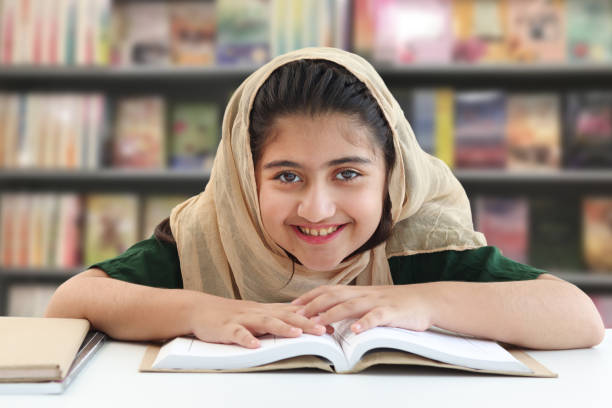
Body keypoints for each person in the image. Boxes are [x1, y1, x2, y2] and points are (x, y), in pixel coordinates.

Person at [46, 47, 604, 350]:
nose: (317, 209)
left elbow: (577, 317)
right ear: (246, 179)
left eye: (347, 174)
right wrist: (203, 310)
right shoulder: (211, 233)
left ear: (392, 175)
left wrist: (427, 302)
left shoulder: (417, 240)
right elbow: (71, 302)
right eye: (286, 177)